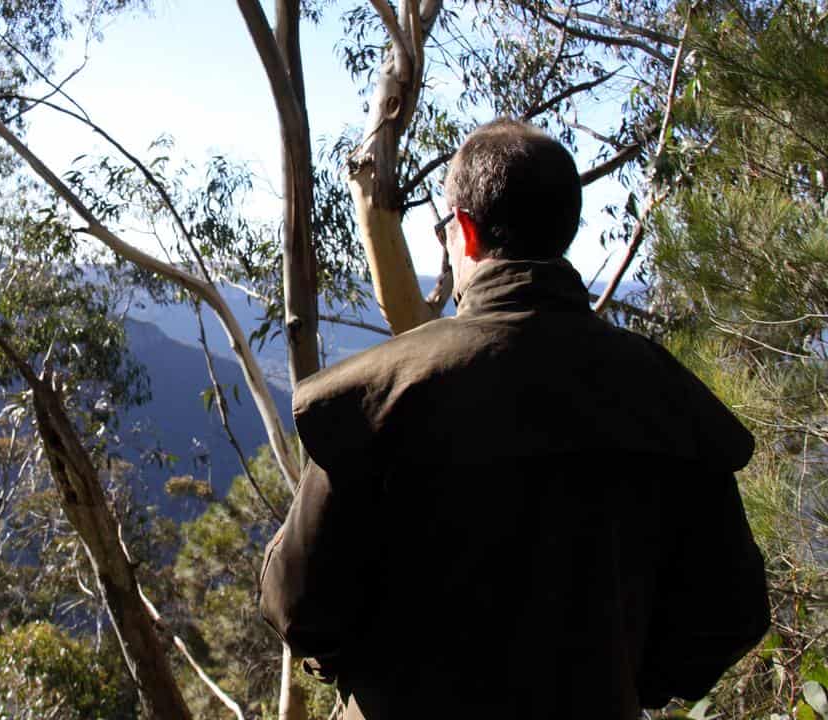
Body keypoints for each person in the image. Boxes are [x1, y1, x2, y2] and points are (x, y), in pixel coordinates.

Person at [258, 118, 770, 719]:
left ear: (465, 232)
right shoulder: (666, 397)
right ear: (565, 230)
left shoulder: (378, 398)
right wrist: (626, 682)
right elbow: (731, 613)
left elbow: (297, 605)